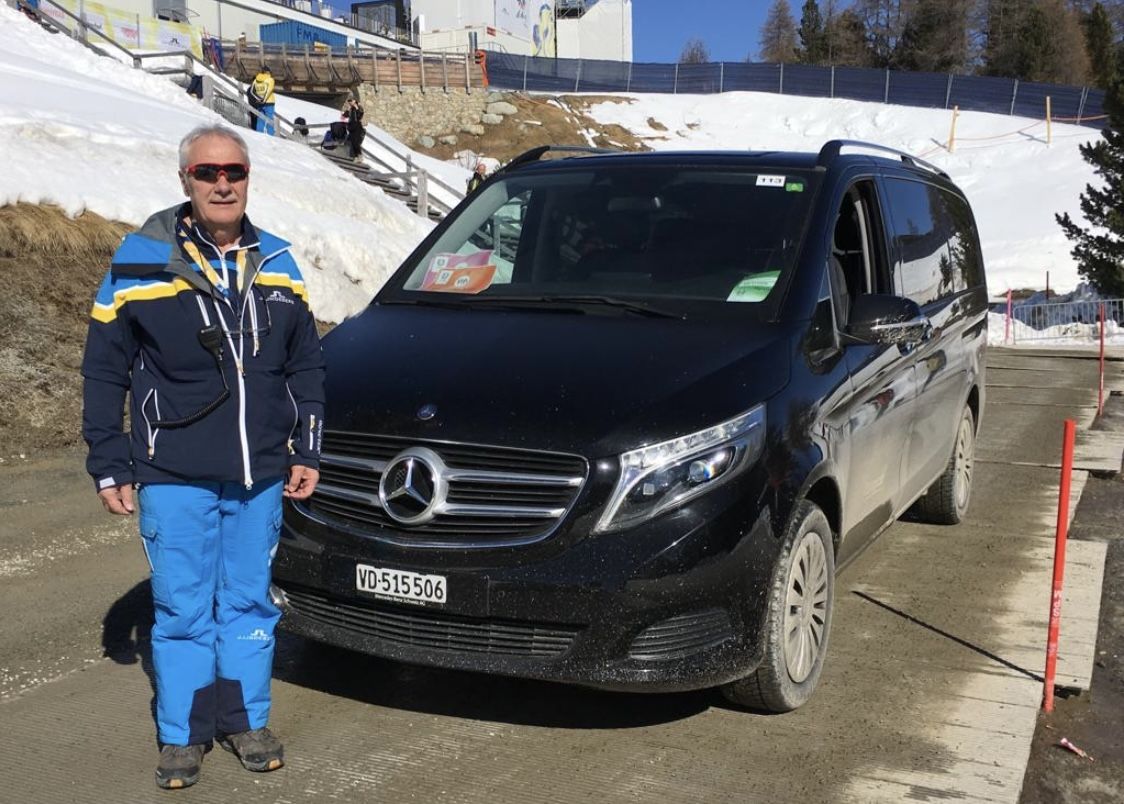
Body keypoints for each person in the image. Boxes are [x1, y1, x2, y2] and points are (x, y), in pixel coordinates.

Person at [81, 124, 325, 790]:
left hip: (260, 474)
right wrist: (109, 459)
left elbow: (305, 364)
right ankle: (184, 734)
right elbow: (104, 368)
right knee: (184, 609)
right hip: (173, 472)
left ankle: (244, 721)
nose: (222, 184)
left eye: (234, 172)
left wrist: (308, 444)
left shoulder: (278, 261)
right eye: (207, 172)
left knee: (248, 604)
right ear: (185, 179)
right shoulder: (140, 260)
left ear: (247, 179)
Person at [247, 66, 276, 136]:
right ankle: (271, 135)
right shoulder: (270, 80)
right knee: (270, 119)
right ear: (268, 72)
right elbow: (269, 91)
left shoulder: (256, 80)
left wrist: (258, 99)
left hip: (259, 103)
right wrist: (263, 100)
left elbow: (252, 91)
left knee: (260, 119)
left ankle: (259, 134)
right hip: (269, 102)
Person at [343, 98, 365, 162]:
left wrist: (357, 108)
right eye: (349, 101)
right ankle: (356, 156)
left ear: (354, 101)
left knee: (356, 142)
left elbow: (359, 116)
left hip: (357, 127)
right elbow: (345, 116)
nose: (350, 103)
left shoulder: (359, 107)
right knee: (353, 142)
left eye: (351, 101)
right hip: (351, 127)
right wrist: (348, 109)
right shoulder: (351, 109)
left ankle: (360, 156)